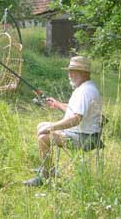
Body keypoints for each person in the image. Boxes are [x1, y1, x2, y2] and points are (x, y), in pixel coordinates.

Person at [24, 56, 102, 187]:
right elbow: (74, 110)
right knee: (41, 125)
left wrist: (52, 127)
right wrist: (56, 104)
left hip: (85, 138)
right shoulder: (84, 87)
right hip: (82, 133)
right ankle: (48, 168)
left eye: (73, 71)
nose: (70, 74)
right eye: (69, 70)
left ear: (84, 73)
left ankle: (45, 177)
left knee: (44, 137)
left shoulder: (85, 91)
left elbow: (76, 119)